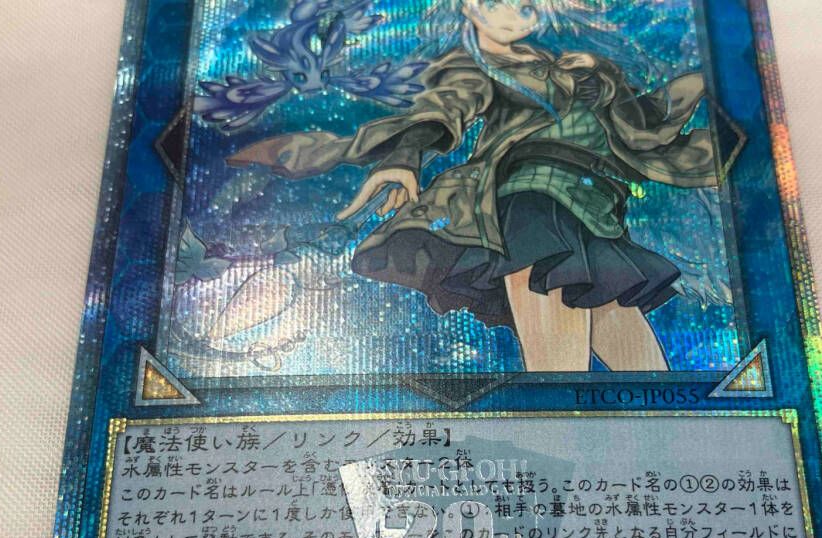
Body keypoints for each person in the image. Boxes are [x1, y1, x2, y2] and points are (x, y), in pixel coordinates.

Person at [228, 0, 722, 372]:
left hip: (593, 207)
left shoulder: (563, 64)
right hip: (533, 200)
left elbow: (640, 126)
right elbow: (445, 107)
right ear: (467, 5)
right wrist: (406, 155)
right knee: (559, 365)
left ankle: (676, 443)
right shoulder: (473, 65)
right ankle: (563, 449)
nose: (511, 13)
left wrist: (618, 77)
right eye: (495, 1)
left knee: (631, 348)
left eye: (526, 7)